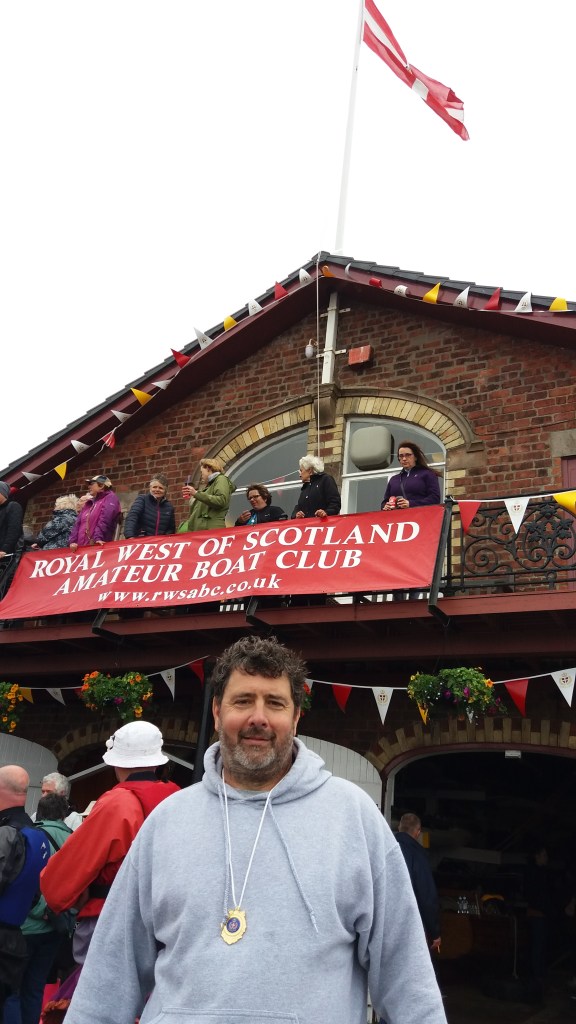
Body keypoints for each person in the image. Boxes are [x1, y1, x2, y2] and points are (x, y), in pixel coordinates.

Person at [62, 636, 447, 1024]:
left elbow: (407, 980)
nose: (258, 718)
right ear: (216, 712)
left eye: (275, 703)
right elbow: (109, 977)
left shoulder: (354, 817)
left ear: (296, 718)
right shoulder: (167, 821)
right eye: (243, 700)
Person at [40, 722, 179, 990]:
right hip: (163, 922)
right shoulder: (177, 799)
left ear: (117, 763)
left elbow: (69, 870)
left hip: (112, 922)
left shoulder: (118, 804)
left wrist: (55, 894)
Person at [17, 794, 74, 1024]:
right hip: (56, 926)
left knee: (13, 990)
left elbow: (22, 880)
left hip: (27, 925)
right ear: (64, 815)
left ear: (39, 812)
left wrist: (41, 909)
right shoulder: (76, 839)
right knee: (35, 988)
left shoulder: (29, 836)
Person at [0, 766, 50, 1022]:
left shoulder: (7, 834)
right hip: (17, 934)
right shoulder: (38, 837)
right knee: (11, 999)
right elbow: (35, 893)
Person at [395, 812, 441, 954]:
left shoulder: (383, 847)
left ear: (399, 827)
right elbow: (426, 897)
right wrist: (435, 933)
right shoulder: (419, 857)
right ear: (418, 832)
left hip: (378, 922)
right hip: (406, 926)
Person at [178, 458, 235, 532]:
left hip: (211, 532)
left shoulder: (221, 479)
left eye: (202, 472)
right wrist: (193, 498)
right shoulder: (209, 486)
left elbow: (221, 500)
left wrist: (195, 493)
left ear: (208, 468)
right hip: (204, 532)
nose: (201, 475)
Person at [381, 441, 441, 511]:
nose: (404, 459)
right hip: (398, 520)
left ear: (415, 457)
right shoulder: (394, 480)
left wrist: (410, 504)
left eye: (408, 455)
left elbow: (435, 499)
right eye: (401, 456)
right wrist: (385, 506)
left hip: (421, 518)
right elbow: (384, 502)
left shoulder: (427, 474)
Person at [68, 476, 121, 550]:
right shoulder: (89, 503)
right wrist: (72, 542)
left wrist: (98, 538)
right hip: (80, 549)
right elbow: (77, 524)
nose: (89, 486)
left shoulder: (110, 498)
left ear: (101, 485)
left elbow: (105, 519)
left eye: (91, 483)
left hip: (98, 546)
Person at [123, 474, 176, 538]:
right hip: (140, 541)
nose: (157, 490)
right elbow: (132, 516)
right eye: (154, 487)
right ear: (150, 488)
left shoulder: (169, 507)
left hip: (159, 544)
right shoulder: (142, 499)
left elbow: (170, 529)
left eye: (161, 488)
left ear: (165, 491)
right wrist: (129, 536)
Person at [291, 455, 341, 520]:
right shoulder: (305, 487)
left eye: (301, 471)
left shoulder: (325, 479)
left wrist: (326, 512)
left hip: (323, 526)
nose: (300, 475)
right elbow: (298, 507)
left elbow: (335, 503)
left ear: (309, 470)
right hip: (307, 527)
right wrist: (296, 514)